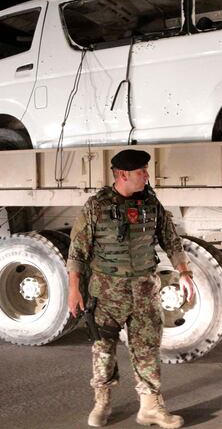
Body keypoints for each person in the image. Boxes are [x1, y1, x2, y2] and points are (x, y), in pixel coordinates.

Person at [67, 149, 195, 428]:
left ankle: (150, 408)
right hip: (107, 292)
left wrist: (184, 273)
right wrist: (73, 289)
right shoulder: (95, 207)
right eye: (141, 171)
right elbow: (77, 251)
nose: (147, 175)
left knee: (147, 349)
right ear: (123, 175)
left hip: (145, 291)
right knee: (103, 349)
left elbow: (171, 241)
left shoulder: (151, 204)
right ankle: (102, 401)